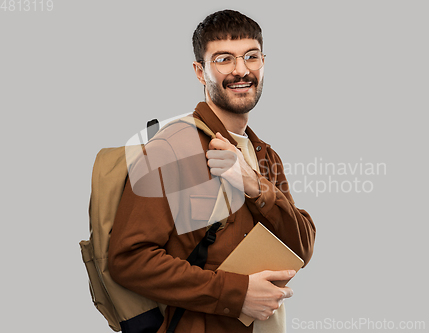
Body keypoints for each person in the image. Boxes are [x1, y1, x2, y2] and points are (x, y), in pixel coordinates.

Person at [108, 9, 316, 333]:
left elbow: (301, 247)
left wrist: (255, 185)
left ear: (264, 62)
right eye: (223, 59)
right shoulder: (173, 148)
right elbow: (128, 260)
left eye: (251, 56)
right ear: (199, 71)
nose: (241, 70)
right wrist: (237, 294)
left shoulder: (265, 156)